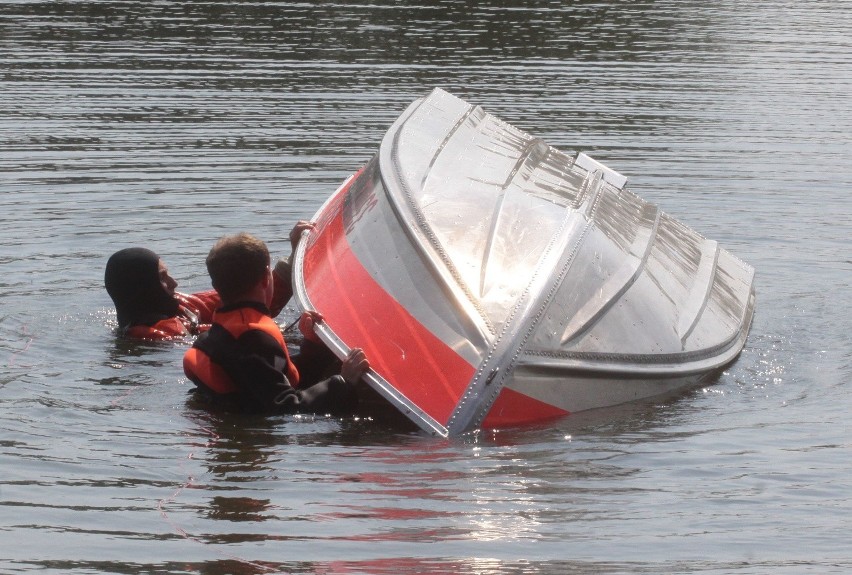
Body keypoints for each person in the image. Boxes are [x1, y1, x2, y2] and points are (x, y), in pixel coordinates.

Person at [183, 232, 369, 415]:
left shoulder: (218, 333)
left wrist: (312, 346)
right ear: (266, 277)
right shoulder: (252, 338)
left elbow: (272, 380)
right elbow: (285, 408)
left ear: (216, 286)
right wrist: (344, 382)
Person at [104, 222, 312, 340]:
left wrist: (295, 256)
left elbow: (247, 296)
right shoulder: (152, 336)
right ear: (143, 288)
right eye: (162, 279)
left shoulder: (181, 306)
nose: (174, 283)